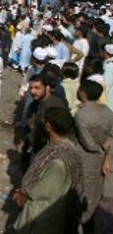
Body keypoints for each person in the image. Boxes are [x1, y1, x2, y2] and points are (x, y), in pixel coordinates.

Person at [13, 107, 84, 234]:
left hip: (44, 211)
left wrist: (22, 194)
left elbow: (43, 190)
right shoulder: (69, 147)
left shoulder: (57, 162)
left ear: (49, 126)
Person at [74, 80, 113, 232]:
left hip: (86, 158)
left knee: (82, 192)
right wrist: (107, 154)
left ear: (83, 93)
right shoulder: (108, 111)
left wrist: (99, 149)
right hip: (102, 158)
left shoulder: (81, 115)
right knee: (95, 193)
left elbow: (87, 143)